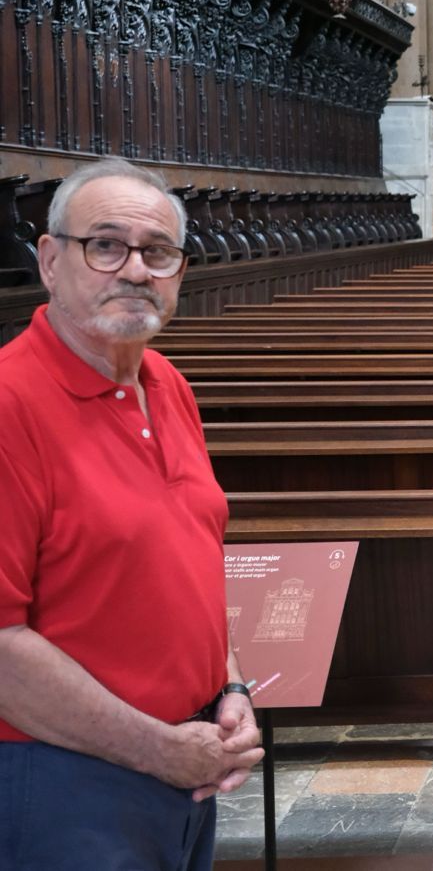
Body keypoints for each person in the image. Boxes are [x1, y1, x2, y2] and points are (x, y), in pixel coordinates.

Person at [0, 161, 264, 868]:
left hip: (184, 771)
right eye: (107, 245)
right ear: (50, 261)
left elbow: (189, 561)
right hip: (63, 780)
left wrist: (228, 688)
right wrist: (162, 748)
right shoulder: (10, 403)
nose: (136, 269)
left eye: (158, 252)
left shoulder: (166, 383)